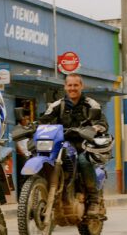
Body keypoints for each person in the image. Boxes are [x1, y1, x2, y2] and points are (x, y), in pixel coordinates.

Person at [38, 73, 108, 216]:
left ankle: (94, 200)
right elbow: (44, 119)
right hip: (62, 144)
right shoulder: (58, 105)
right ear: (65, 87)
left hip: (84, 144)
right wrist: (33, 126)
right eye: (69, 85)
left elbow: (102, 122)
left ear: (81, 86)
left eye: (76, 85)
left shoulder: (90, 104)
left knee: (83, 161)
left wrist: (96, 128)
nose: (72, 88)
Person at [15, 113, 32, 195]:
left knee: (28, 175)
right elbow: (16, 143)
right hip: (22, 156)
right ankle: (21, 195)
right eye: (26, 119)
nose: (28, 121)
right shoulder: (17, 129)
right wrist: (22, 153)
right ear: (22, 120)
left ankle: (26, 193)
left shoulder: (26, 129)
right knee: (22, 176)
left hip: (27, 154)